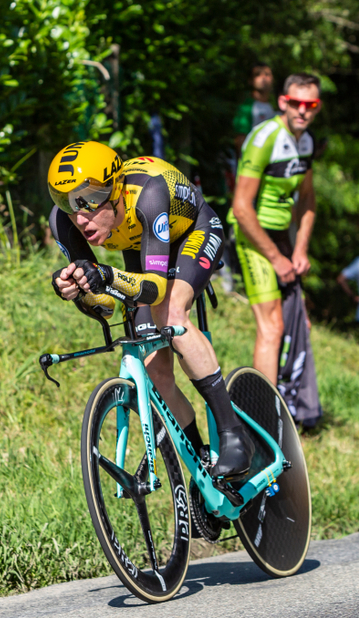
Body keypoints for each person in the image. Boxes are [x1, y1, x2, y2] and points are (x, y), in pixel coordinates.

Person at [46, 142, 254, 481]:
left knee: (170, 315)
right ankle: (202, 465)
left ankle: (234, 434)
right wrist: (77, 290)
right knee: (155, 368)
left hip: (193, 231)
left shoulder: (149, 193)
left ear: (115, 190)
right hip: (140, 245)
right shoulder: (63, 220)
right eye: (67, 202)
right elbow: (105, 306)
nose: (80, 217)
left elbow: (155, 289)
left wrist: (108, 276)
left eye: (89, 199)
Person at [230, 73, 320, 384]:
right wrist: (277, 259)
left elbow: (307, 198)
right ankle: (264, 408)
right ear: (283, 102)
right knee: (272, 327)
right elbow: (241, 208)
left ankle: (283, 399)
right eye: (296, 103)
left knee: (298, 323)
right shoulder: (265, 138)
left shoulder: (306, 141)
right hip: (253, 235)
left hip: (283, 235)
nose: (302, 111)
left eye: (310, 105)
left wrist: (300, 249)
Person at [233, 63, 276, 153]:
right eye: (257, 74)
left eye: (267, 74)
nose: (263, 78)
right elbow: (240, 140)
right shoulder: (246, 108)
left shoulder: (276, 106)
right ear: (250, 81)